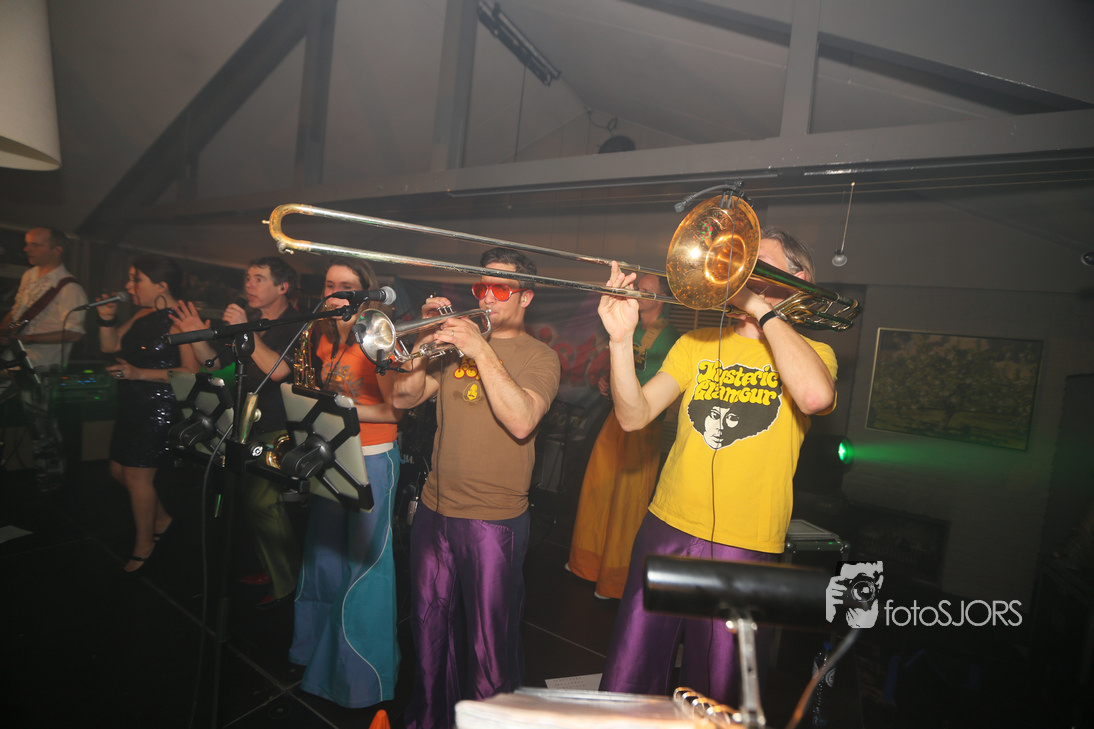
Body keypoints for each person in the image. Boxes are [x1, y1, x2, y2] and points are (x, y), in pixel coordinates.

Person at [596, 227, 838, 705]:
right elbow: (633, 416)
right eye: (741, 264)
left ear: (799, 279)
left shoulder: (817, 355)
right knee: (631, 672)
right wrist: (620, 342)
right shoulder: (696, 342)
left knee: (720, 693)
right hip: (666, 527)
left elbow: (814, 396)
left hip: (744, 545)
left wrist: (759, 307)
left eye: (759, 265)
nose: (742, 272)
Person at [393, 249, 561, 729]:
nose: (488, 297)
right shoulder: (452, 350)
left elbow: (522, 420)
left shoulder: (540, 356)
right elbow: (402, 396)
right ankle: (430, 719)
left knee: (490, 646)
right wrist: (424, 339)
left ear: (526, 297)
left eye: (501, 288)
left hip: (494, 520)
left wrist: (481, 349)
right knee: (428, 633)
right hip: (434, 509)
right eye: (481, 287)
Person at [289, 260, 404, 708]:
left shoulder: (379, 336)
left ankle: (360, 679)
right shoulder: (322, 334)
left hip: (373, 456)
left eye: (346, 286)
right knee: (323, 557)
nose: (335, 293)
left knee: (364, 568)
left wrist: (338, 408)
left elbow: (394, 411)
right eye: (329, 284)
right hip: (332, 452)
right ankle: (315, 654)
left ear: (366, 292)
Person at [170, 256, 302, 608]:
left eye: (258, 278)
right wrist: (197, 334)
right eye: (247, 277)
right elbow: (216, 365)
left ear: (282, 287)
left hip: (279, 427)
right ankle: (272, 569)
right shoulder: (253, 322)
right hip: (245, 424)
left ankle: (288, 582)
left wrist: (246, 329)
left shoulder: (295, 323)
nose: (249, 284)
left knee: (263, 503)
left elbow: (277, 370)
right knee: (250, 504)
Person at [567, 273, 679, 600]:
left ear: (661, 298)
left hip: (645, 425)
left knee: (628, 502)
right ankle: (586, 563)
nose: (639, 294)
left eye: (646, 290)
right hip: (615, 417)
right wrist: (608, 381)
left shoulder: (672, 336)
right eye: (637, 288)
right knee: (598, 488)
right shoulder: (630, 325)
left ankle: (615, 579)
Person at [97, 254, 197, 573]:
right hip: (132, 403)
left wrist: (139, 373)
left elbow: (191, 372)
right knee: (118, 471)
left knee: (137, 476)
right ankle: (162, 519)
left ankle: (144, 546)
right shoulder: (142, 314)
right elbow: (110, 345)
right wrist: (106, 319)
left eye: (136, 279)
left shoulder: (180, 317)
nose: (129, 286)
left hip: (158, 406)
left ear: (161, 285)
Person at [0, 227, 89, 488]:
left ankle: (50, 483)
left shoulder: (70, 288)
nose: (26, 249)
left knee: (42, 429)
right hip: (13, 359)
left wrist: (29, 338)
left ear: (57, 249)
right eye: (27, 244)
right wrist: (5, 331)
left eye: (35, 245)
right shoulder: (29, 275)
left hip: (42, 366)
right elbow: (17, 311)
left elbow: (74, 333)